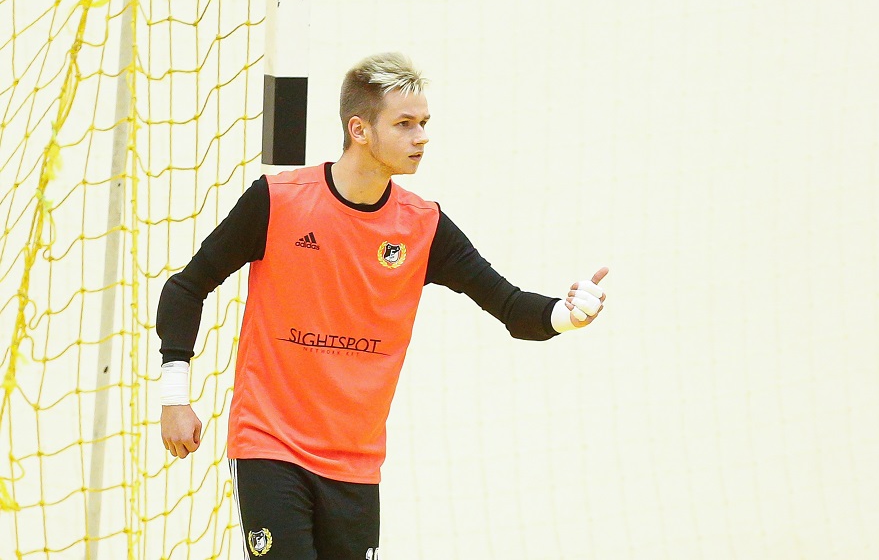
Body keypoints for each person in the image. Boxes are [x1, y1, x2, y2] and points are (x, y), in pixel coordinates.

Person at [157, 52, 608, 560]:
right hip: (270, 446)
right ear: (360, 130)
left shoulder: (423, 226)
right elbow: (185, 288)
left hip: (355, 464)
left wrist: (567, 314)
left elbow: (509, 306)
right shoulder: (278, 200)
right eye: (405, 124)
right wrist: (175, 396)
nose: (422, 137)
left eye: (424, 123)